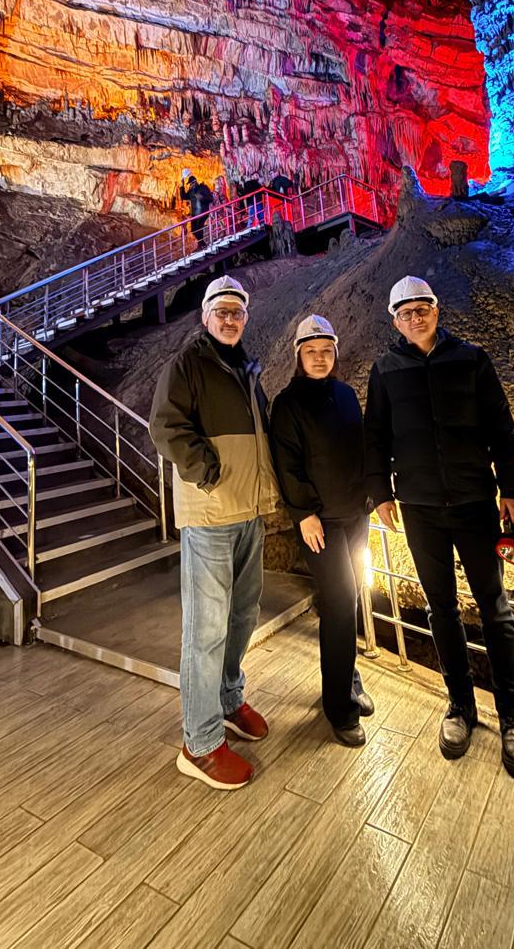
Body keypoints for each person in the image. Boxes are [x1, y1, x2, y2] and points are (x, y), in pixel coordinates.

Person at [363, 276, 514, 778]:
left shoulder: (472, 359)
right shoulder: (385, 370)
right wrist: (380, 494)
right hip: (419, 508)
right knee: (442, 610)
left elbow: (501, 426)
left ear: (437, 311)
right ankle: (460, 706)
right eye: (406, 311)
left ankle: (513, 718)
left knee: (496, 609)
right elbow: (374, 436)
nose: (416, 317)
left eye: (423, 308)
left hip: (475, 502)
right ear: (394, 319)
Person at [148, 274, 281, 790]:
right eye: (221, 311)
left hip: (247, 511)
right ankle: (199, 742)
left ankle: (227, 700)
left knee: (243, 613)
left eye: (237, 311)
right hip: (209, 513)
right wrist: (205, 469)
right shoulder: (188, 364)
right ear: (205, 317)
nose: (230, 319)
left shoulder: (245, 368)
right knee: (206, 630)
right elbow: (165, 425)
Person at [270, 315, 375, 747]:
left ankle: (346, 674)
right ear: (299, 355)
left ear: (335, 352)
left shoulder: (347, 395)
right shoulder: (288, 403)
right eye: (311, 352)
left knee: (348, 603)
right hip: (321, 523)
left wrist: (373, 495)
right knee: (339, 601)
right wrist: (304, 514)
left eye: (326, 350)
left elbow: (361, 448)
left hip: (355, 515)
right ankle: (339, 709)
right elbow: (287, 464)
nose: (319, 358)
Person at [180, 168, 214, 249]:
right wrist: (182, 184)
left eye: (190, 184)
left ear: (194, 182)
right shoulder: (191, 191)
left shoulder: (203, 188)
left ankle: (202, 244)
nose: (190, 186)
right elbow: (183, 196)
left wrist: (200, 196)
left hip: (203, 212)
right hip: (195, 213)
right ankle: (201, 243)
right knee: (193, 229)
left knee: (199, 228)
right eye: (190, 185)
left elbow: (210, 199)